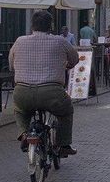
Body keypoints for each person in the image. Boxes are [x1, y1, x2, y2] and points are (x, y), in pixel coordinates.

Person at [11, 10, 80, 157]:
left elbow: (11, 64)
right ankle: (64, 144)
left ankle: (24, 134)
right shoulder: (61, 41)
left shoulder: (19, 41)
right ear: (51, 26)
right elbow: (74, 59)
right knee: (66, 110)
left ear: (32, 25)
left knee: (20, 111)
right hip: (52, 93)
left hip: (23, 91)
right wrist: (66, 65)